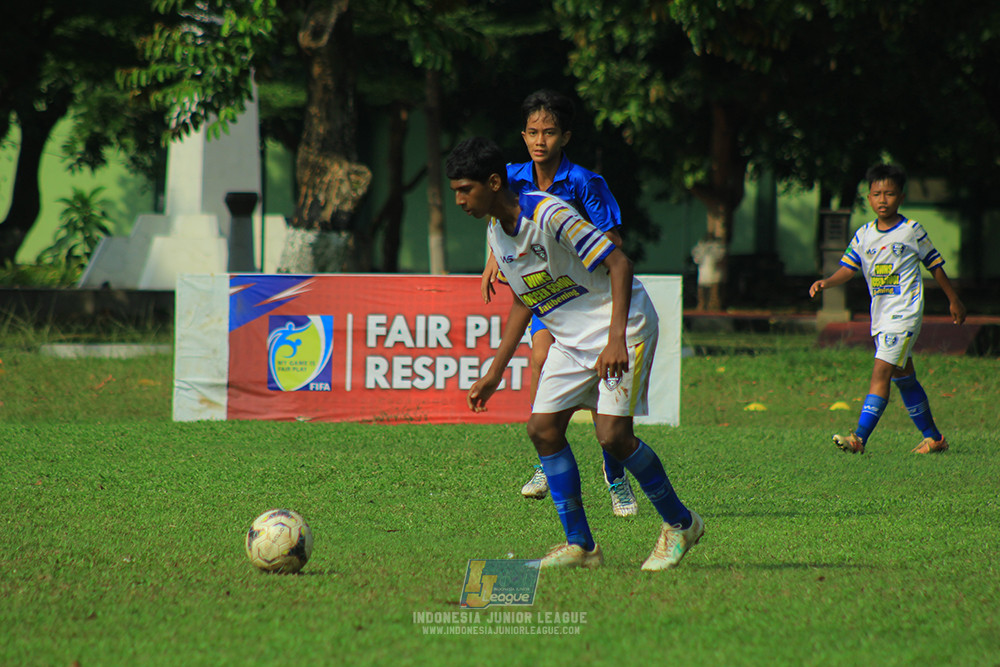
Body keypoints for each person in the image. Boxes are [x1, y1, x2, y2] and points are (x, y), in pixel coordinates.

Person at [447, 136, 703, 570]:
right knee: (543, 429)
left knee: (613, 438)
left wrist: (616, 340)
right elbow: (524, 301)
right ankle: (581, 546)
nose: (458, 200)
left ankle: (682, 524)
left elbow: (619, 263)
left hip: (622, 329)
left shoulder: (548, 213)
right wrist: (494, 373)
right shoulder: (496, 232)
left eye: (464, 190)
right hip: (571, 341)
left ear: (493, 183)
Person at [480, 89, 638, 517]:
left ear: (565, 137)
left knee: (608, 399)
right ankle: (545, 462)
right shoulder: (510, 177)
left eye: (549, 132)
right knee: (540, 356)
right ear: (523, 135)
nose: (540, 140)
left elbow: (614, 241)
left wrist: (570, 242)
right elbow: (498, 219)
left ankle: (616, 476)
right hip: (549, 299)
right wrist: (493, 259)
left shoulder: (585, 183)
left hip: (590, 299)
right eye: (533, 132)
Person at [809, 163, 966, 454]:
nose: (883, 200)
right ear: (868, 198)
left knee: (880, 372)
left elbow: (935, 266)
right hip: (881, 317)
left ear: (901, 197)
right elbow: (848, 269)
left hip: (904, 314)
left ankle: (859, 439)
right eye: (877, 194)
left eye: (890, 194)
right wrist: (827, 282)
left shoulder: (911, 231)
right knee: (903, 376)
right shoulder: (864, 234)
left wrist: (953, 299)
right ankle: (934, 438)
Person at [690, 233, 726, 311]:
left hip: (713, 275)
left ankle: (713, 307)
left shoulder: (717, 247)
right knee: (702, 294)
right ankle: (702, 307)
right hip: (703, 274)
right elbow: (696, 257)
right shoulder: (701, 247)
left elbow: (720, 257)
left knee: (714, 294)